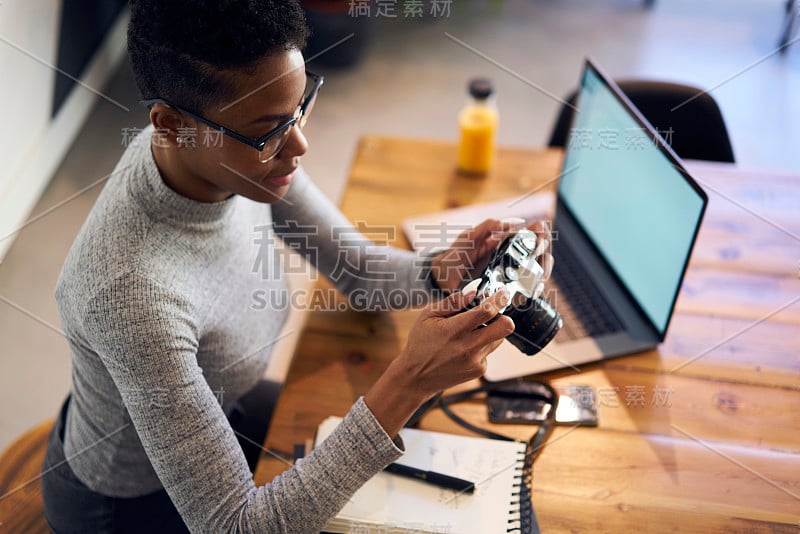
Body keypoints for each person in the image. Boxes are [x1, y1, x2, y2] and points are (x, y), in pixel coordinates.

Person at [40, 1, 552, 532]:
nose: (299, 144)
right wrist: (410, 381)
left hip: (224, 405)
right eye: (269, 131)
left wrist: (441, 272)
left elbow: (356, 269)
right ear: (171, 124)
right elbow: (238, 525)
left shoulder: (226, 154)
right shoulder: (130, 295)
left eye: (300, 106)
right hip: (126, 508)